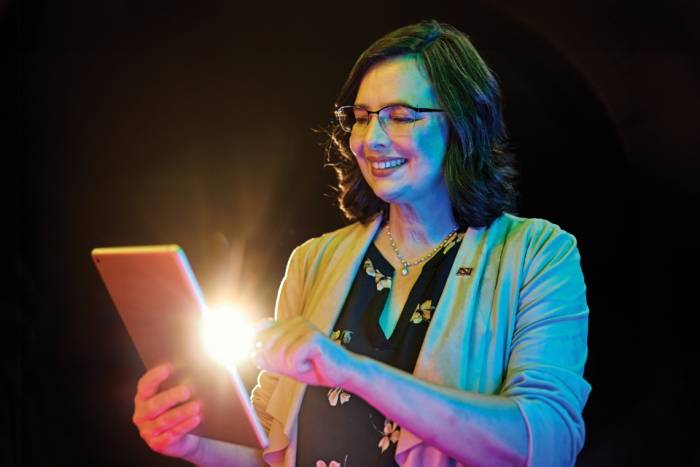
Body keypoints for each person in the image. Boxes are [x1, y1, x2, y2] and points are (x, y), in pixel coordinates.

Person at [132, 20, 591, 467]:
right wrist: (192, 444)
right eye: (361, 117)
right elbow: (270, 449)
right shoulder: (313, 261)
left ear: (463, 125)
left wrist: (353, 371)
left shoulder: (539, 253)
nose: (370, 139)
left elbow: (548, 444)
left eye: (399, 117)